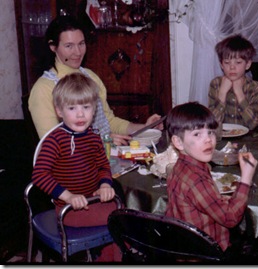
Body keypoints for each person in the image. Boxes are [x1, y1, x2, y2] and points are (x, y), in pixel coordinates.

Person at [29, 15, 162, 146]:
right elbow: (53, 145)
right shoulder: (43, 89)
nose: (78, 52)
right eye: (69, 46)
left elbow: (108, 121)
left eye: (81, 44)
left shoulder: (90, 76)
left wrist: (144, 128)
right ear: (53, 47)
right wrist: (102, 142)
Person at [31, 73, 122, 262]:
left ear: (94, 109)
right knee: (122, 220)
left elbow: (103, 166)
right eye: (72, 108)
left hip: (93, 202)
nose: (80, 114)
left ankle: (109, 258)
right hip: (69, 210)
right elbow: (39, 175)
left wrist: (105, 184)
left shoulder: (93, 137)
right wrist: (68, 196)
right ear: (59, 111)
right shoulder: (54, 141)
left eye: (86, 107)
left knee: (123, 216)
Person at [164, 101, 258, 259]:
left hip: (183, 246)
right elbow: (230, 219)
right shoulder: (195, 179)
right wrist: (246, 177)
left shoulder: (181, 167)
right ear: (178, 142)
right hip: (205, 254)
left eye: (210, 132)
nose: (208, 140)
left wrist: (222, 200)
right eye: (197, 134)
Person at [208, 34, 258, 130]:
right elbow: (211, 124)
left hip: (248, 139)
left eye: (238, 62)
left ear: (247, 64)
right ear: (221, 65)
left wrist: (240, 94)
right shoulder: (216, 84)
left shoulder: (256, 88)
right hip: (223, 138)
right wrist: (222, 94)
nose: (232, 67)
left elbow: (254, 124)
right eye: (227, 62)